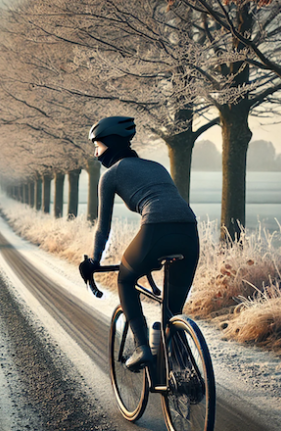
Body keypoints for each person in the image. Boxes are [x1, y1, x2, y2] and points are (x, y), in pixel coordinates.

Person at [79, 116, 200, 372]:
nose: (95, 152)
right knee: (172, 312)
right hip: (190, 231)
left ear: (110, 145)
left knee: (125, 278)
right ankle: (186, 375)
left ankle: (142, 346)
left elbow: (103, 228)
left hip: (156, 229)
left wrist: (93, 261)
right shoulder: (156, 167)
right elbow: (168, 203)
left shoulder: (110, 175)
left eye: (97, 146)